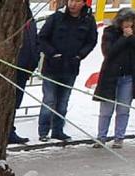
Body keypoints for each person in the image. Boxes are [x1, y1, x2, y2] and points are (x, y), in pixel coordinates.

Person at [38, 0, 98, 142]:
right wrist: (52, 53)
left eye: (77, 1)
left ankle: (58, 131)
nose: (72, 4)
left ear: (84, 3)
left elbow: (91, 41)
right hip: (52, 67)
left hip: (71, 67)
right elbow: (42, 37)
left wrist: (80, 55)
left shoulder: (88, 20)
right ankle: (43, 131)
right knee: (49, 100)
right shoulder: (56, 17)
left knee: (63, 101)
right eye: (71, 0)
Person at [95, 7, 135, 147]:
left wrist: (131, 38)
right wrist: (124, 38)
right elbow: (109, 52)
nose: (128, 24)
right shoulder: (110, 32)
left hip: (128, 77)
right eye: (125, 21)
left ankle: (119, 137)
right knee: (106, 109)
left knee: (123, 109)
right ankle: (101, 137)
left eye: (131, 21)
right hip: (110, 76)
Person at [10, 5, 40, 144]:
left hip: (24, 69)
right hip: (12, 68)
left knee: (15, 102)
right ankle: (8, 131)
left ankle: (10, 129)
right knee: (8, 101)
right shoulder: (12, 19)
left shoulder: (30, 21)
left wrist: (34, 62)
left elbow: (35, 42)